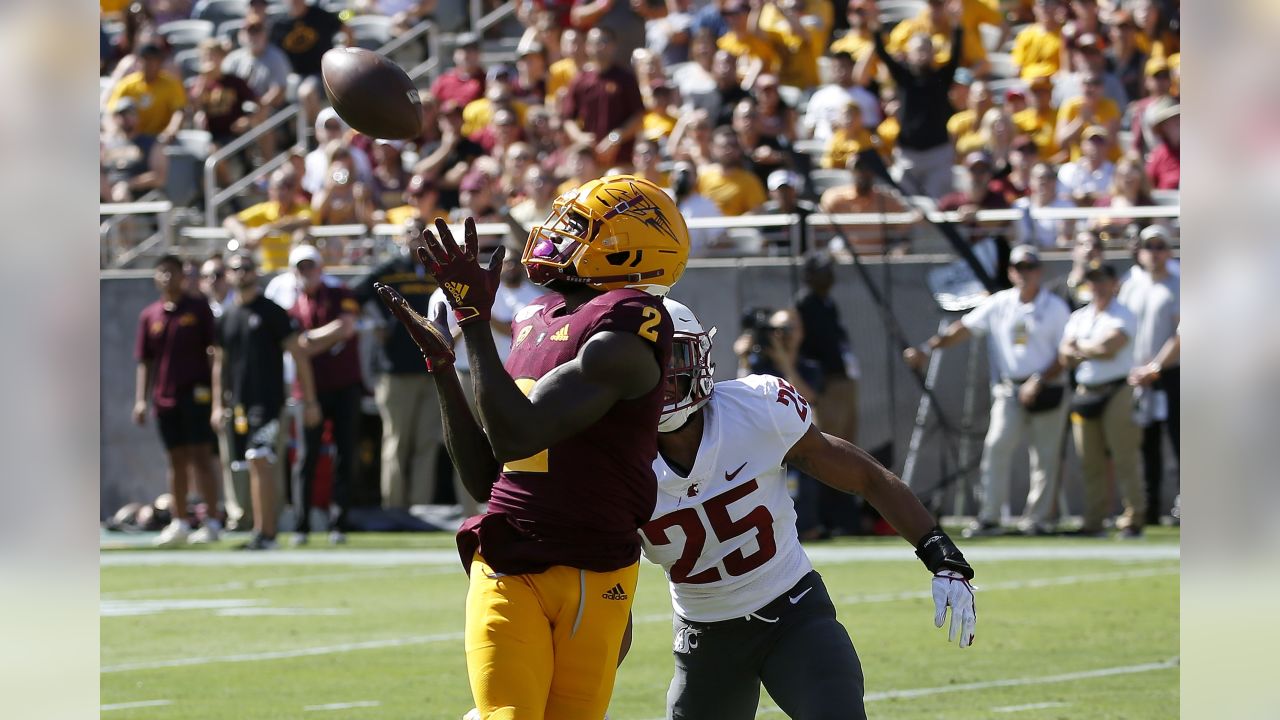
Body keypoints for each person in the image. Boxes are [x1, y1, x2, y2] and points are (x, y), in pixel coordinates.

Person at [372, 174, 689, 719]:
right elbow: (484, 478)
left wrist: (473, 325)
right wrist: (444, 367)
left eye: (580, 229)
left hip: (597, 568)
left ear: (630, 249)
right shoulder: (534, 319)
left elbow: (520, 432)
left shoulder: (629, 324)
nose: (557, 236)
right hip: (510, 555)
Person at [641, 298, 977, 719]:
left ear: (700, 358)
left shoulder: (755, 407)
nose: (664, 377)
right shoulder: (608, 464)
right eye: (645, 364)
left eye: (673, 358)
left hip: (793, 613)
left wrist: (938, 549)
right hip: (703, 636)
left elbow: (865, 476)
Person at [905, 245, 1071, 536]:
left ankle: (1038, 519)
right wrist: (926, 348)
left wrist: (1040, 381)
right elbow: (963, 328)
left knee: (1044, 456)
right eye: (1019, 267)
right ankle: (991, 516)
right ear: (1010, 272)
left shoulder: (1055, 307)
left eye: (1030, 267)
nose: (1024, 273)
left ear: (1039, 271)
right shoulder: (1000, 303)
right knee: (996, 448)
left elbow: (1065, 352)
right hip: (1009, 389)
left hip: (1048, 388)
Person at [426, 237, 545, 514]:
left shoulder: (500, 290)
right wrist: (471, 314)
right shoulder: (441, 296)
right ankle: (470, 510)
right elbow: (443, 340)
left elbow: (511, 330)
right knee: (467, 443)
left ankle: (506, 507)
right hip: (467, 373)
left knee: (506, 442)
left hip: (510, 374)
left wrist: (477, 312)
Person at [211, 253, 321, 550]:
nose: (241, 273)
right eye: (235, 268)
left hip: (268, 401)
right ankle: (259, 529)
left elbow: (298, 354)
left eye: (246, 268)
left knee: (261, 461)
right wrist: (218, 405)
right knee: (247, 465)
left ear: (255, 272)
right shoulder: (226, 316)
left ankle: (267, 533)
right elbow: (220, 364)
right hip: (239, 404)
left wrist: (309, 400)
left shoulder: (272, 312)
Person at [352, 219, 445, 510]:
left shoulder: (437, 269)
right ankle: (394, 508)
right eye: (410, 232)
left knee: (427, 442)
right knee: (396, 442)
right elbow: (355, 294)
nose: (415, 237)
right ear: (401, 237)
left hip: (433, 370)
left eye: (420, 232)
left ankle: (420, 507)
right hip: (395, 370)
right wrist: (375, 322)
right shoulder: (389, 269)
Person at [134, 255, 223, 546]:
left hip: (196, 396)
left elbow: (215, 355)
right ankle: (180, 521)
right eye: (162, 272)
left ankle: (211, 520)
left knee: (201, 457)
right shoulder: (150, 315)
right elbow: (145, 361)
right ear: (155, 277)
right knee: (176, 460)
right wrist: (141, 400)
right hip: (165, 399)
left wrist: (216, 400)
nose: (167, 277)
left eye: (172, 272)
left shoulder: (198, 309)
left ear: (182, 276)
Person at [286, 244, 363, 545]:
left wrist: (308, 341)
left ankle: (338, 522)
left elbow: (345, 328)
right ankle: (301, 524)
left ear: (320, 268)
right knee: (306, 457)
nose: (307, 273)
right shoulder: (292, 308)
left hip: (345, 386)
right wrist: (316, 340)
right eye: (301, 268)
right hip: (309, 390)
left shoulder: (341, 293)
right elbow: (297, 348)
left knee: (345, 453)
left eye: (311, 266)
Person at [1059, 261, 1143, 538]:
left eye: (1103, 279)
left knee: (1124, 457)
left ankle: (1133, 518)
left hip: (1118, 389)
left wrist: (1079, 348)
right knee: (1089, 460)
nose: (1098, 285)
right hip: (1086, 390)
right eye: (1093, 280)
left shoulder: (1124, 313)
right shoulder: (1079, 316)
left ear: (1114, 283)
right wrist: (1087, 349)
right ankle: (1094, 520)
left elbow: (1109, 348)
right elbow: (1064, 357)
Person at [870, 2, 965, 199]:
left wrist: (956, 25)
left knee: (936, 207)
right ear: (908, 54)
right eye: (917, 49)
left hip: (938, 154)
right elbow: (883, 54)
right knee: (904, 203)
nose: (921, 53)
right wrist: (876, 29)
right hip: (907, 154)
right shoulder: (903, 77)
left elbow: (956, 54)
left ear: (933, 53)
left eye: (925, 49)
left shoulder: (942, 78)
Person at [1118, 225, 1180, 526]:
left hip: (1171, 374)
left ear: (1168, 251)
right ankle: (1150, 508)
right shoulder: (1131, 284)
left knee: (1181, 444)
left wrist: (1155, 367)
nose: (1154, 253)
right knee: (1146, 445)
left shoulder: (1178, 283)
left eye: (1159, 246)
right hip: (1136, 376)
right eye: (1149, 246)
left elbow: (1183, 332)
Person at [561, 27, 646, 168]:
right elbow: (568, 119)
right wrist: (579, 137)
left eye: (604, 42)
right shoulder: (579, 80)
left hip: (622, 161)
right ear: (587, 46)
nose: (600, 47)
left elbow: (638, 116)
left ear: (614, 46)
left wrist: (616, 138)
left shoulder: (626, 78)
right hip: (590, 163)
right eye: (594, 42)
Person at [223, 169, 313, 273]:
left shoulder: (302, 208)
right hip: (270, 272)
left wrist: (267, 229)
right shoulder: (265, 209)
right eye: (279, 186)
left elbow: (306, 220)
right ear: (270, 189)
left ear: (295, 189)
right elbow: (230, 221)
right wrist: (244, 235)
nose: (283, 191)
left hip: (295, 273)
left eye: (288, 186)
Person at [107, 43, 187, 143]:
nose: (149, 64)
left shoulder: (171, 84)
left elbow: (179, 111)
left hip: (160, 138)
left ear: (160, 63)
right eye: (146, 60)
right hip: (132, 137)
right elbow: (112, 111)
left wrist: (171, 130)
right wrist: (115, 131)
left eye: (154, 60)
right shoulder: (127, 84)